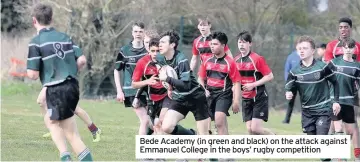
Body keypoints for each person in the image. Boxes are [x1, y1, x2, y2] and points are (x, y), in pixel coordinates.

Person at [26, 3, 93, 161]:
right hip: (73, 86)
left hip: (56, 88)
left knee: (69, 133)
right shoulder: (65, 37)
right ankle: (65, 156)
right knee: (53, 121)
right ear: (52, 18)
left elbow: (33, 74)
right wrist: (70, 69)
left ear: (34, 20)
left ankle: (65, 157)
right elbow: (82, 60)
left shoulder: (36, 42)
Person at [285, 35, 341, 162]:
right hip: (307, 112)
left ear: (313, 50)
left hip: (323, 110)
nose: (301, 51)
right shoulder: (294, 71)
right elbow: (289, 86)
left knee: (321, 141)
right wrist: (288, 93)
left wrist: (335, 101)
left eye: (305, 48)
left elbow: (335, 83)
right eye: (299, 48)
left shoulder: (323, 67)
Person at [155, 30, 210, 135]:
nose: (160, 45)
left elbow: (186, 85)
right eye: (159, 42)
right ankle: (191, 135)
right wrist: (169, 87)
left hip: (196, 97)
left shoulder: (181, 60)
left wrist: (167, 79)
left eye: (163, 42)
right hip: (180, 98)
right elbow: (164, 70)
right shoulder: (160, 58)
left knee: (204, 136)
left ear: (172, 45)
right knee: (166, 127)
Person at [190, 18, 233, 135]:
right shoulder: (197, 41)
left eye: (205, 25)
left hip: (219, 75)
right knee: (205, 105)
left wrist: (230, 70)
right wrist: (189, 72)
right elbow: (194, 58)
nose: (202, 27)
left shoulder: (216, 39)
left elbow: (229, 55)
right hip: (205, 76)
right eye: (200, 25)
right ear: (198, 27)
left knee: (220, 112)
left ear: (209, 25)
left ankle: (219, 133)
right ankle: (208, 132)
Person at [197, 31, 241, 135]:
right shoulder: (207, 61)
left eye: (215, 44)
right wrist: (204, 89)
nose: (212, 46)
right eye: (211, 44)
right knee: (206, 125)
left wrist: (236, 101)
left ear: (223, 46)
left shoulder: (230, 63)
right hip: (209, 94)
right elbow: (200, 78)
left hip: (224, 94)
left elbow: (237, 83)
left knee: (219, 122)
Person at [234, 31, 275, 135]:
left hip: (259, 97)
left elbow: (270, 76)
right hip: (246, 99)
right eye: (239, 42)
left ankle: (274, 137)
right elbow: (235, 81)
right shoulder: (236, 61)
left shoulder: (257, 59)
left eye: (244, 42)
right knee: (250, 130)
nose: (241, 45)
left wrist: (253, 85)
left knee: (255, 129)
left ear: (250, 43)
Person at [114, 22, 149, 135]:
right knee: (145, 120)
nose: (138, 34)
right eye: (136, 31)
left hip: (149, 90)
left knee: (154, 121)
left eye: (140, 31)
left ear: (144, 33)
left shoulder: (149, 49)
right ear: (132, 33)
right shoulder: (125, 50)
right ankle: (142, 150)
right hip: (131, 90)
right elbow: (116, 70)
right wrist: (119, 91)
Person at [328, 39, 360, 160]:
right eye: (345, 47)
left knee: (350, 131)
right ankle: (339, 157)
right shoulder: (334, 63)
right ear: (342, 49)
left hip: (348, 101)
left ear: (354, 49)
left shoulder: (357, 66)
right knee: (338, 128)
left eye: (350, 47)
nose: (348, 49)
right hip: (334, 100)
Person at [283, 50, 300, 124]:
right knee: (290, 101)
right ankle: (287, 120)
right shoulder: (291, 56)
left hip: (304, 82)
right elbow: (287, 70)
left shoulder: (307, 56)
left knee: (306, 101)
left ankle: (306, 119)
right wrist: (288, 82)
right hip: (292, 82)